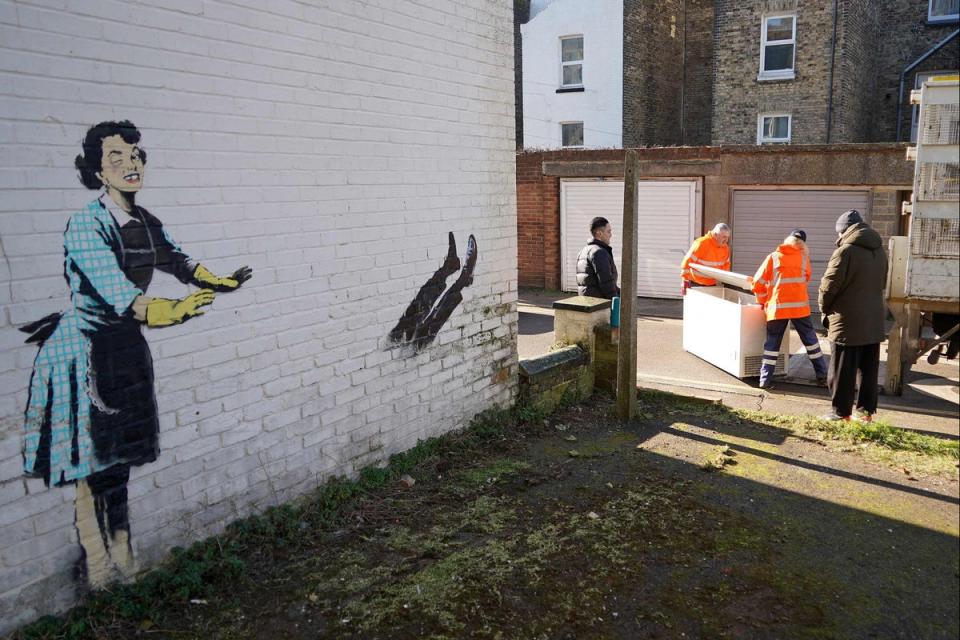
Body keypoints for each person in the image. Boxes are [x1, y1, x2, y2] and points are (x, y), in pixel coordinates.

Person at [20, 120, 252, 587]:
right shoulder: (87, 225)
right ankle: (99, 563)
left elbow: (177, 259)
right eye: (116, 158)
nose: (131, 165)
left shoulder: (144, 221)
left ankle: (125, 554)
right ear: (97, 172)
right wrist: (178, 311)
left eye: (135, 155)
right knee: (89, 464)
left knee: (120, 458)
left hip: (124, 353)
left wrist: (216, 279)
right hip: (83, 356)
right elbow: (122, 296)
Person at [818, 210, 888, 422]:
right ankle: (865, 413)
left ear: (843, 230)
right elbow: (883, 282)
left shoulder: (845, 251)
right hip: (873, 319)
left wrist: (824, 309)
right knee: (868, 369)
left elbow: (828, 287)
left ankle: (841, 412)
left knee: (842, 369)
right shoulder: (879, 250)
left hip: (847, 321)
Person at [751, 230, 828, 390]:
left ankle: (764, 380)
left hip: (778, 307)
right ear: (803, 244)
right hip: (800, 308)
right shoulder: (804, 258)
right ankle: (822, 376)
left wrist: (763, 300)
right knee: (811, 342)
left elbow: (758, 283)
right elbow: (805, 280)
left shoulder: (773, 257)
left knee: (772, 345)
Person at [576, 216, 620, 299]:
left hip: (587, 302)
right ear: (599, 233)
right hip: (599, 304)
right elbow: (606, 283)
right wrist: (616, 300)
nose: (611, 235)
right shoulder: (599, 252)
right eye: (609, 231)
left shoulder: (583, 251)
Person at [681, 223, 731, 294]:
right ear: (715, 235)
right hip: (695, 284)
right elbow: (686, 263)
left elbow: (726, 266)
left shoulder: (725, 248)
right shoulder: (701, 243)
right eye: (724, 237)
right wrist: (684, 281)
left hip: (712, 285)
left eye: (727, 237)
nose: (726, 240)